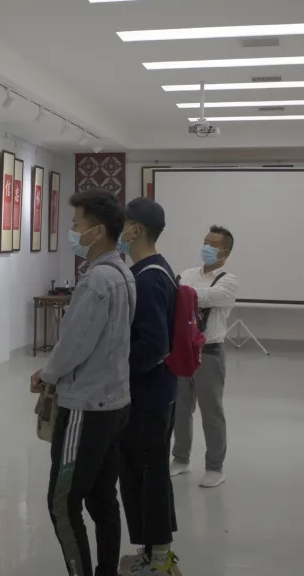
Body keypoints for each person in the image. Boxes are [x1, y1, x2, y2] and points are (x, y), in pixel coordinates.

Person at [31, 189, 134, 576]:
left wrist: (48, 374)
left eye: (77, 225)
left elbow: (75, 344)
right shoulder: (121, 273)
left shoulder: (98, 281)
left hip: (87, 406)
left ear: (98, 231)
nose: (72, 232)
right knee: (102, 497)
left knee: (63, 501)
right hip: (115, 400)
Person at [116, 199, 181, 576]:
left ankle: (160, 559)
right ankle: (152, 551)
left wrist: (115, 368)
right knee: (141, 472)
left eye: (121, 225)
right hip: (153, 390)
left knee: (148, 473)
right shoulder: (152, 270)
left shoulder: (148, 277)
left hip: (148, 394)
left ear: (135, 230)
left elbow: (155, 343)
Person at [171, 225, 238, 489]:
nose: (207, 247)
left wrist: (184, 294)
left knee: (211, 411)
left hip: (209, 352)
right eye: (205, 242)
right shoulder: (188, 273)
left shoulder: (228, 281)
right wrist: (184, 295)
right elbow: (176, 297)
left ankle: (215, 467)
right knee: (180, 408)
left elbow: (204, 297)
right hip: (182, 351)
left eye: (213, 244)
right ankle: (180, 458)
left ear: (225, 252)